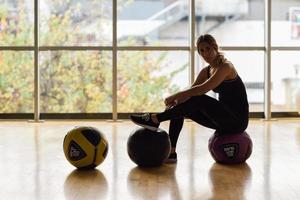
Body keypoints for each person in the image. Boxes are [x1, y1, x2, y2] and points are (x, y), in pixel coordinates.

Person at [130, 34, 249, 163]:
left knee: (200, 99)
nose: (205, 54)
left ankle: (155, 119)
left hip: (237, 121)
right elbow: (190, 93)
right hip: (222, 121)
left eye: (208, 49)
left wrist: (176, 96)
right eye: (201, 51)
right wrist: (176, 101)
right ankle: (171, 152)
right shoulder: (207, 71)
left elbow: (202, 89)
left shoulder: (226, 67)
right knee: (181, 107)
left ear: (215, 47)